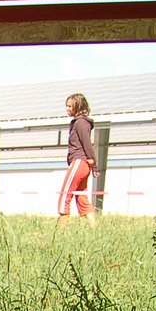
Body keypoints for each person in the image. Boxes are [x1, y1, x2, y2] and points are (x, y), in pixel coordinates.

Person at [58, 92, 98, 225]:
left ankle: (60, 231)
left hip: (79, 162)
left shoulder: (80, 122)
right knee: (81, 197)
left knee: (65, 195)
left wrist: (94, 163)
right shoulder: (82, 122)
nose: (68, 109)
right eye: (67, 106)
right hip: (84, 164)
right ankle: (94, 230)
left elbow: (87, 143)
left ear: (78, 106)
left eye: (70, 106)